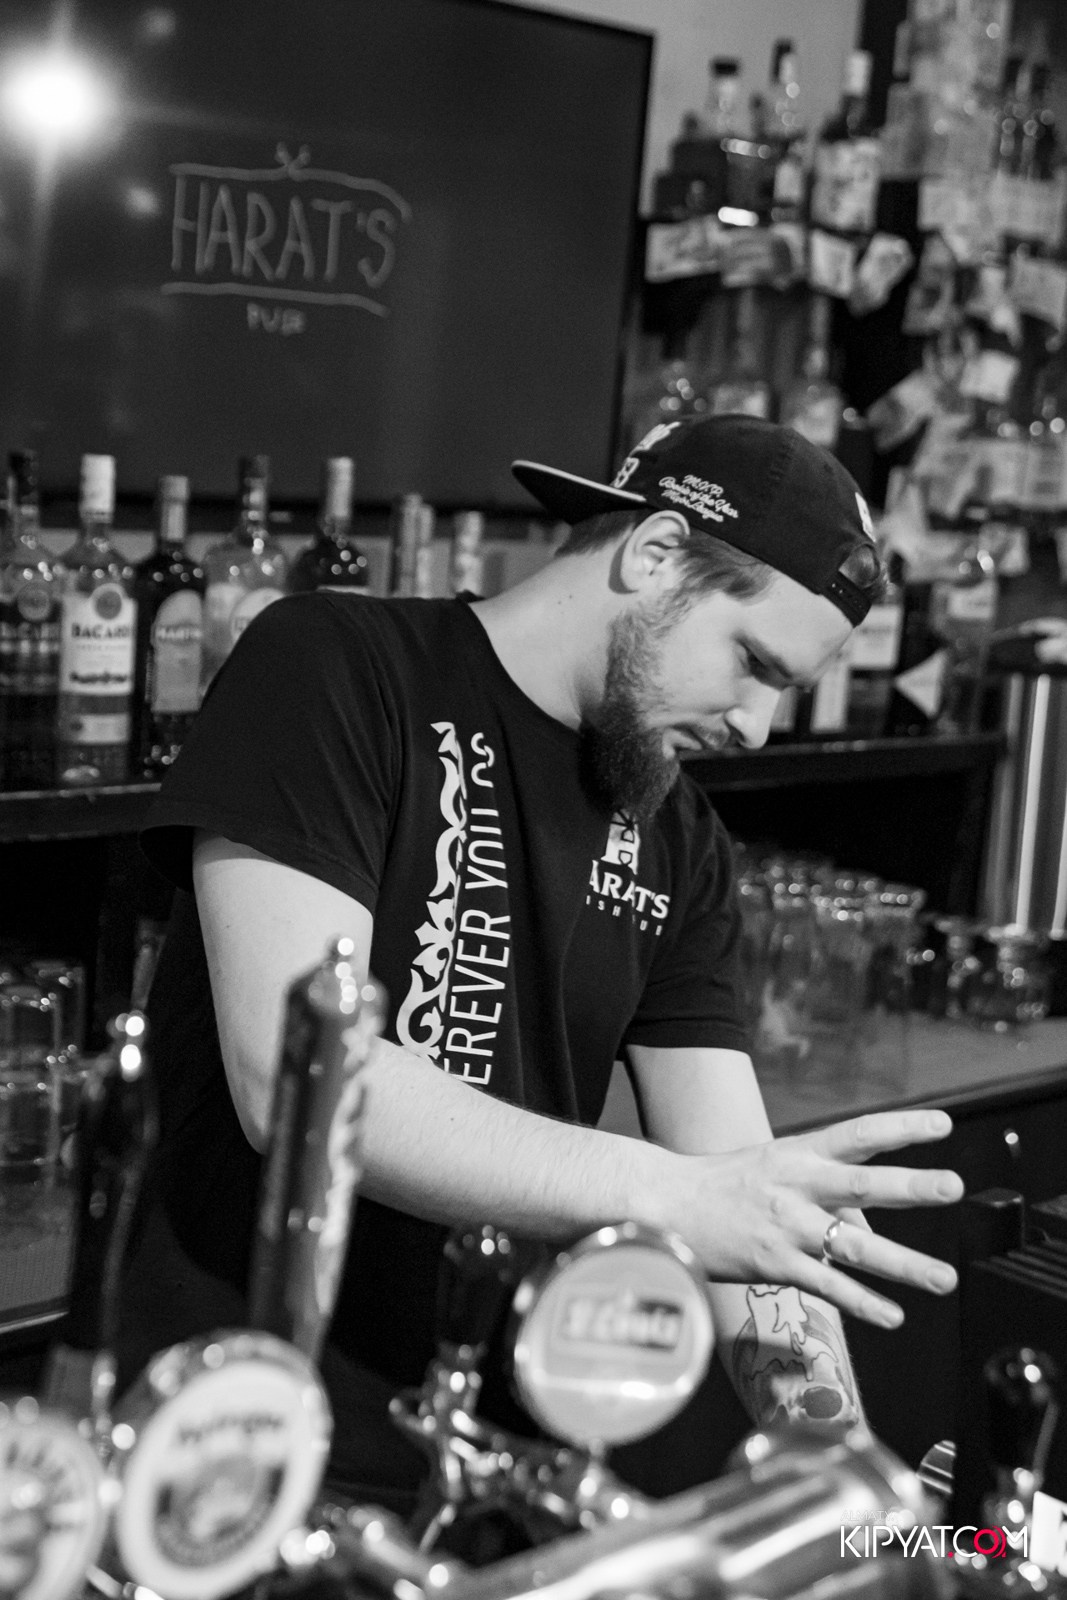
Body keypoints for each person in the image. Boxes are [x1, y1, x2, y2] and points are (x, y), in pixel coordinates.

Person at [117, 415, 964, 1510]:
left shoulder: (680, 839)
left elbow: (742, 1195)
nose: (758, 726)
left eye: (785, 690)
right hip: (220, 1437)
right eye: (752, 663)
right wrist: (675, 1194)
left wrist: (846, 1482)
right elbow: (296, 1083)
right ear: (653, 553)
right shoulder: (335, 666)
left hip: (487, 1460)